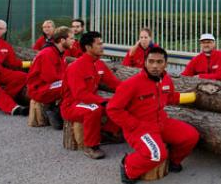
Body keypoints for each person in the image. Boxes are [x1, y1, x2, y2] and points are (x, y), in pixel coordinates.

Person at [107, 46, 199, 183]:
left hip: (162, 122)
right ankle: (128, 166)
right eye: (151, 61)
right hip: (139, 128)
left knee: (191, 136)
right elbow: (113, 109)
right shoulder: (131, 84)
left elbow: (170, 97)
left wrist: (191, 97)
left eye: (159, 62)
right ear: (145, 63)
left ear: (165, 64)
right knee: (156, 155)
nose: (155, 66)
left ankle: (173, 161)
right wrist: (134, 125)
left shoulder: (166, 80)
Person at [61, 31, 124, 159]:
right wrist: (103, 101)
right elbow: (80, 94)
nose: (102, 46)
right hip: (72, 105)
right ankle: (90, 146)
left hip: (89, 101)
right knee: (94, 110)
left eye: (102, 43)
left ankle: (108, 133)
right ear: (88, 47)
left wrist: (132, 90)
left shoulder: (99, 64)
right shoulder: (75, 67)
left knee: (119, 101)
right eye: (99, 44)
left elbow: (115, 83)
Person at [26, 26, 73, 129]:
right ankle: (56, 112)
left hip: (48, 85)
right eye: (71, 38)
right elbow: (50, 77)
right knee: (70, 86)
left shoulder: (59, 52)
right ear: (62, 40)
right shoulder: (48, 53)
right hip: (39, 89)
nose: (74, 41)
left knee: (73, 84)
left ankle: (58, 111)